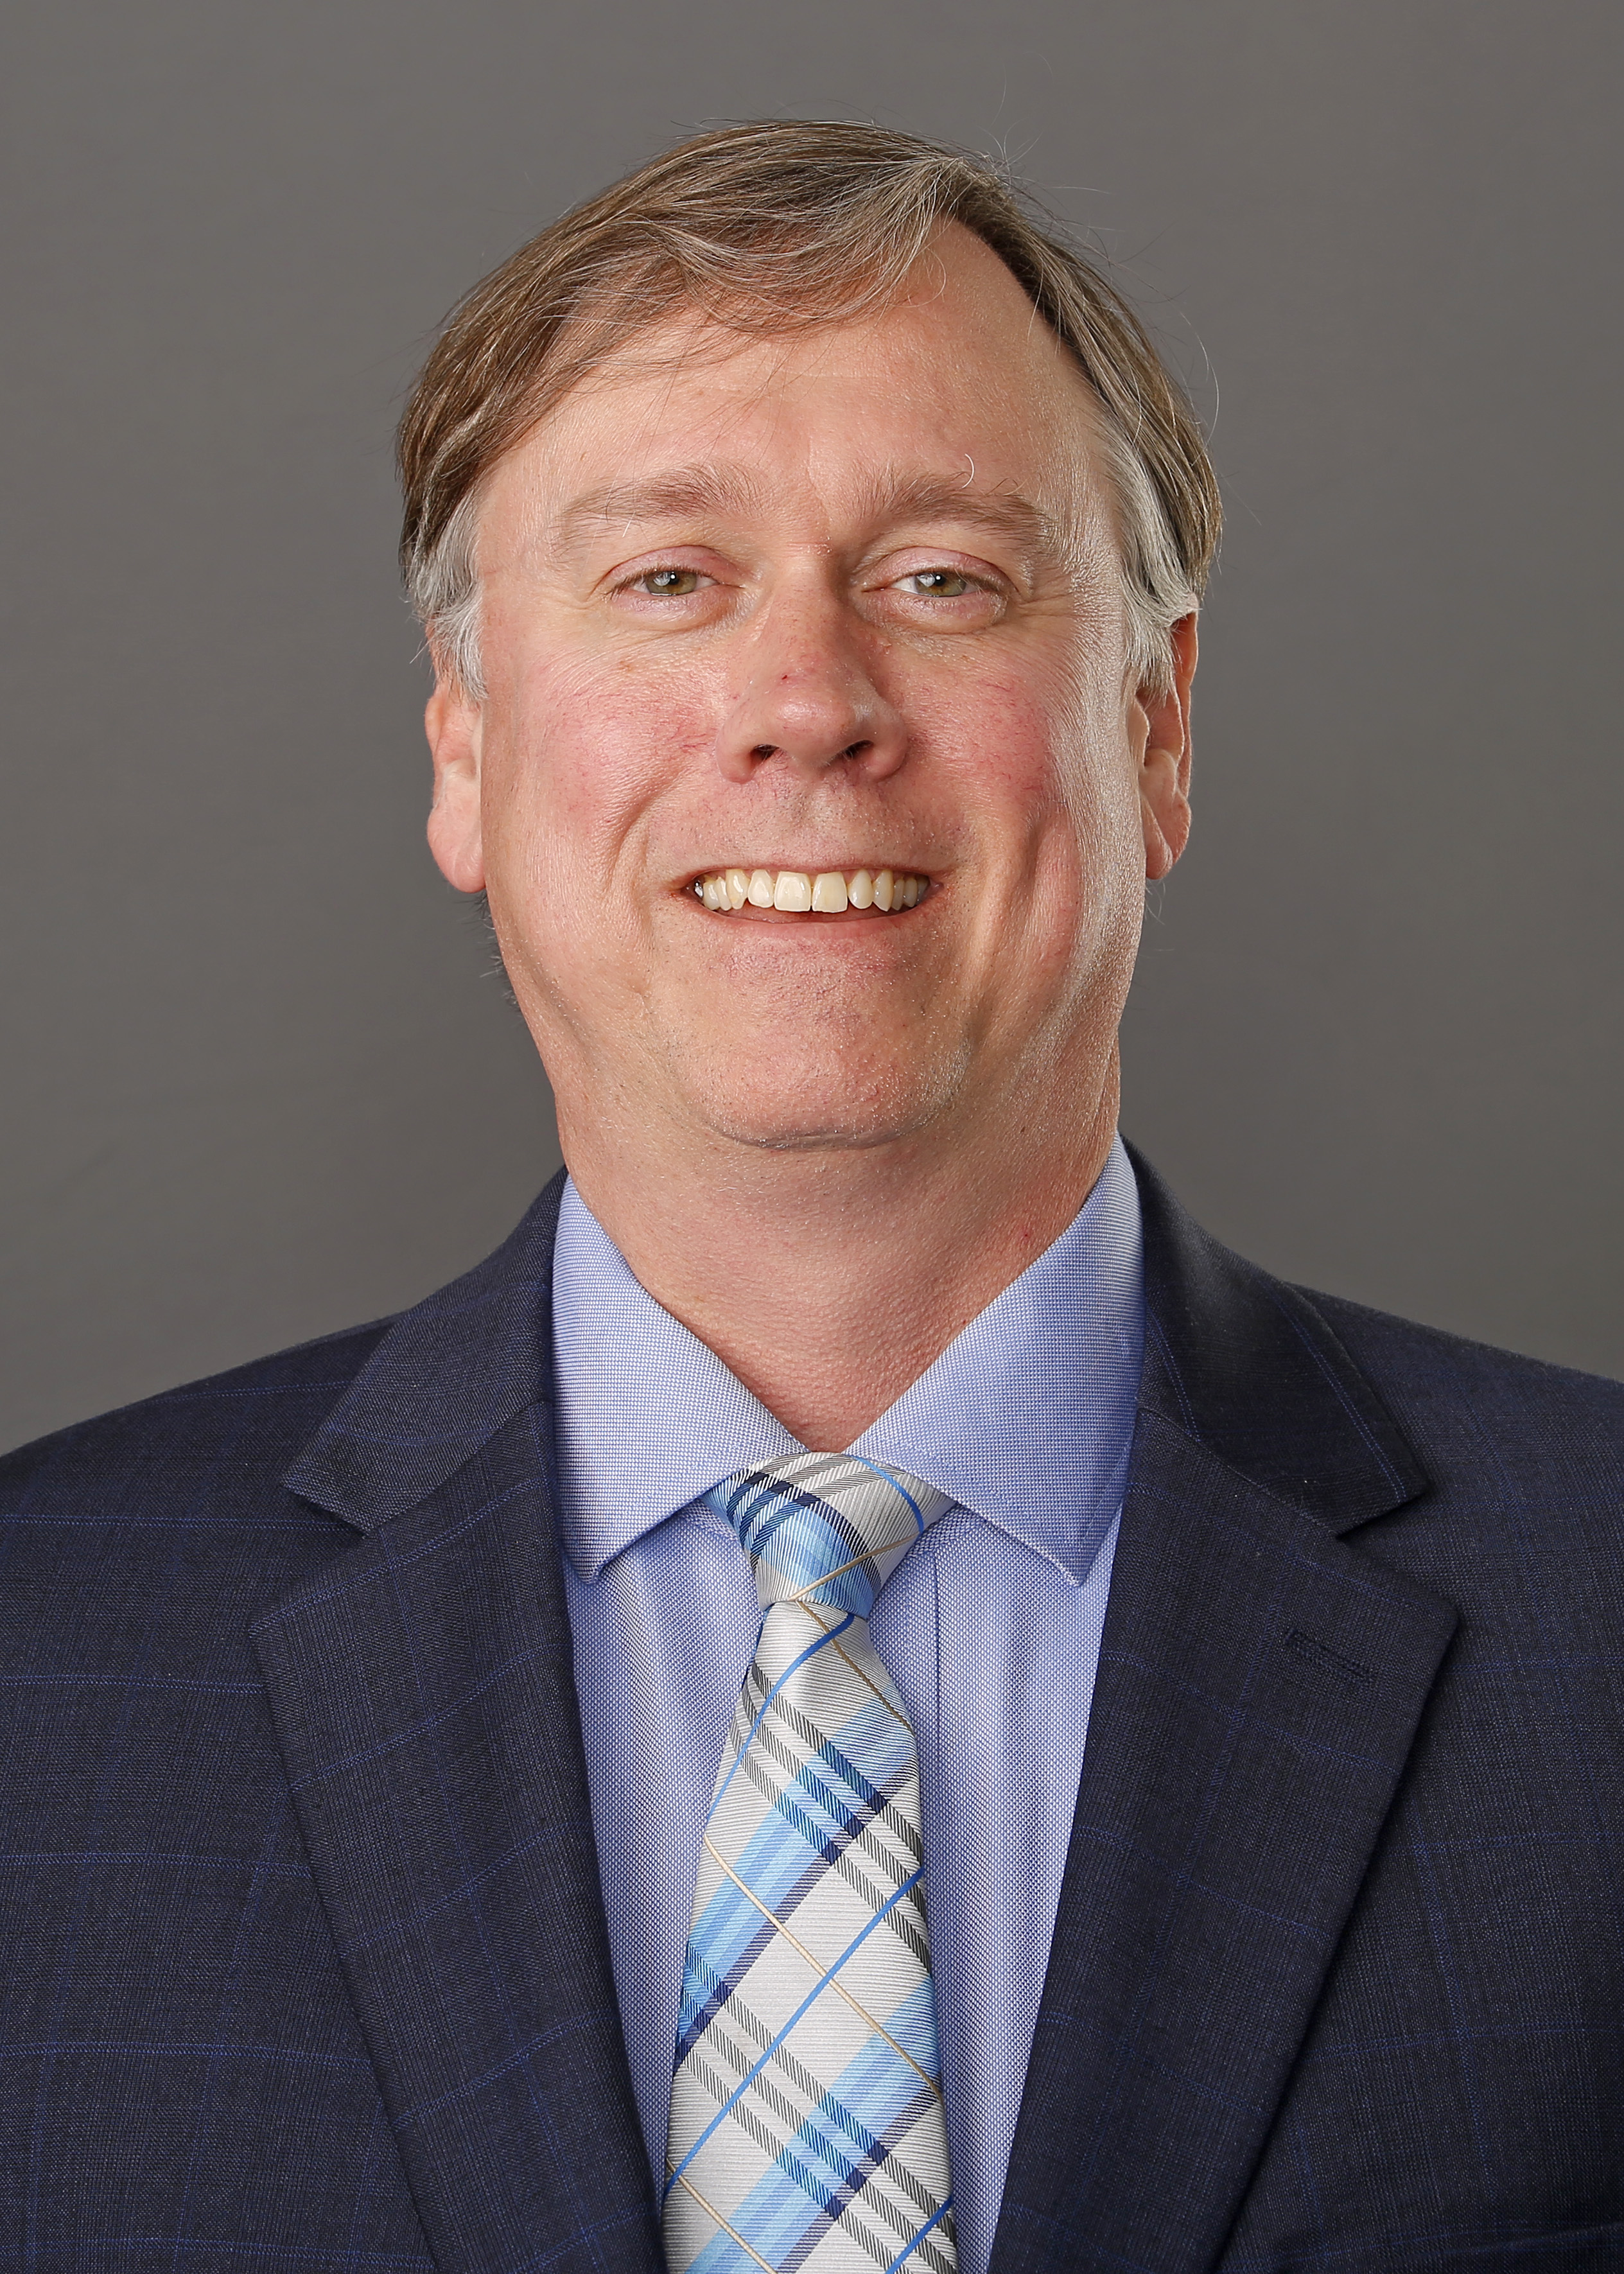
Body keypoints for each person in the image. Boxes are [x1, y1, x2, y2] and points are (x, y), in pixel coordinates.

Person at [3, 119, 1621, 2274]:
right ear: (466, 753)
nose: (805, 707)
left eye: (944, 576)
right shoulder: (37, 1660)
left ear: (1155, 724)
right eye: (667, 579)